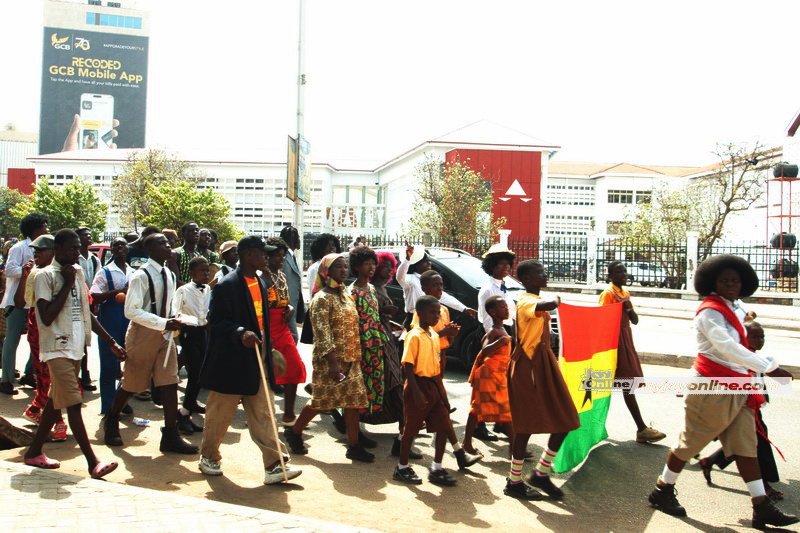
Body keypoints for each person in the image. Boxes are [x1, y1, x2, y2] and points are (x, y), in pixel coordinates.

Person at [648, 255, 797, 529]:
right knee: (689, 443)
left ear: (743, 282)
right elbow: (727, 348)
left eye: (735, 280)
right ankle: (662, 490)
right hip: (712, 386)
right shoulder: (709, 312)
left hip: (739, 386)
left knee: (745, 447)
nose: (731, 284)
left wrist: (762, 366)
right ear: (712, 283)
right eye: (724, 280)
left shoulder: (736, 307)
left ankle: (761, 506)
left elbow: (745, 337)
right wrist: (770, 368)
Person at [198, 235, 302, 484]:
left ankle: (275, 464)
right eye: (262, 253)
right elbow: (217, 322)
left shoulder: (260, 281)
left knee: (263, 411)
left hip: (257, 356)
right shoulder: (227, 285)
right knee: (220, 414)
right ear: (247, 255)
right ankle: (208, 457)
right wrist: (240, 332)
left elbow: (261, 319)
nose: (266, 257)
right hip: (232, 362)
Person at [22, 229, 124, 479]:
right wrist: (66, 284)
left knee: (55, 402)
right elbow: (45, 317)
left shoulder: (77, 272)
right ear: (57, 249)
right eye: (72, 248)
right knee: (74, 403)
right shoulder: (44, 276)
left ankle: (34, 452)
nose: (77, 253)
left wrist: (110, 341)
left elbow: (87, 312)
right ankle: (93, 462)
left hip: (76, 347)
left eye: (79, 248)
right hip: (56, 348)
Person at [102, 233, 198, 455]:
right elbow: (131, 310)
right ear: (150, 250)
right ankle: (112, 419)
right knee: (132, 383)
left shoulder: (168, 273)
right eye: (162, 244)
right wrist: (164, 321)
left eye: (169, 242)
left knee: (170, 382)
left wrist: (178, 319)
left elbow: (170, 304)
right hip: (143, 333)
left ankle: (170, 435)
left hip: (165, 333)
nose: (169, 246)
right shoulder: (141, 275)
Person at [284, 253, 374, 462]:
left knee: (353, 402)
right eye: (338, 267)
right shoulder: (322, 299)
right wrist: (333, 365)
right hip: (331, 362)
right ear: (327, 272)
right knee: (321, 402)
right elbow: (322, 334)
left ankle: (354, 446)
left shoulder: (345, 294)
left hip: (351, 358)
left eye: (345, 267)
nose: (343, 270)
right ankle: (294, 432)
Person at [504, 260, 579, 501]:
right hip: (529, 367)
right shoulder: (526, 300)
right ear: (525, 279)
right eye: (539, 272)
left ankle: (541, 473)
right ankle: (514, 481)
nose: (544, 274)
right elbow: (542, 305)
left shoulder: (534, 298)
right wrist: (556, 301)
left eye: (544, 270)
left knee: (566, 418)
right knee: (525, 425)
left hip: (545, 364)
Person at [698, 319, 784, 501]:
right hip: (741, 406)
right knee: (754, 444)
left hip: (752, 407)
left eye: (762, 336)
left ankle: (710, 460)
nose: (760, 340)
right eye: (755, 337)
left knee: (745, 440)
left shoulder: (755, 357)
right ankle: (764, 487)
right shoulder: (739, 358)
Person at [410, 270, 482, 470]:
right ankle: (450, 457)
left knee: (438, 412)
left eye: (442, 285)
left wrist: (451, 334)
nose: (440, 289)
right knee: (433, 413)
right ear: (424, 288)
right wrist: (443, 332)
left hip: (438, 361)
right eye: (435, 286)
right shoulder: (422, 311)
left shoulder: (444, 310)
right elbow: (421, 336)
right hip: (424, 368)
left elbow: (445, 343)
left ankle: (456, 454)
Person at [393, 295, 457, 486]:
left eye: (438, 313)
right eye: (432, 313)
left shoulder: (434, 335)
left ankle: (436, 467)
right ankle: (402, 467)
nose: (437, 316)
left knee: (444, 426)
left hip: (434, 384)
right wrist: (416, 393)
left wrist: (451, 335)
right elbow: (407, 367)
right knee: (410, 430)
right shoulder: (414, 336)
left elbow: (436, 361)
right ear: (420, 314)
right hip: (417, 385)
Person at [598, 262, 665, 443]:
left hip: (625, 339)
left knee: (627, 384)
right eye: (619, 272)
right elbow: (603, 320)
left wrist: (628, 307)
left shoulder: (625, 294)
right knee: (615, 386)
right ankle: (640, 429)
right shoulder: (608, 294)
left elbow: (634, 320)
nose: (624, 275)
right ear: (610, 274)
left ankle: (641, 429)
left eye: (624, 271)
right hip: (614, 342)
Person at [16, 235, 68, 441]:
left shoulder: (63, 273)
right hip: (40, 331)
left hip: (60, 331)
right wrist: (23, 276)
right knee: (47, 377)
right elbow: (21, 303)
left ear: (53, 252)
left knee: (55, 379)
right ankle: (58, 421)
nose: (35, 254)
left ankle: (37, 409)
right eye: (34, 251)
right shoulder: (36, 275)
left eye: (40, 250)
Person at [370, 250, 418, 458]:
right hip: (378, 343)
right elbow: (370, 315)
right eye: (385, 265)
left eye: (391, 265)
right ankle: (402, 440)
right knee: (396, 386)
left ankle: (403, 438)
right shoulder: (371, 289)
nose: (389, 269)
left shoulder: (381, 287)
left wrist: (391, 321)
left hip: (388, 339)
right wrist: (384, 313)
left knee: (396, 386)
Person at [1, 212, 49, 395]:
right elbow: (9, 270)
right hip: (16, 301)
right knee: (11, 341)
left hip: (35, 302)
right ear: (37, 229)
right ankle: (6, 380)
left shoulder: (44, 248)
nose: (47, 230)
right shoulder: (20, 248)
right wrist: (26, 270)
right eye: (45, 227)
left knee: (37, 340)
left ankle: (29, 373)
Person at [261, 237, 306, 426]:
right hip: (266, 330)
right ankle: (260, 413)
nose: (281, 259)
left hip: (283, 328)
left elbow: (285, 300)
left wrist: (291, 308)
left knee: (294, 367)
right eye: (276, 256)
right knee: (262, 374)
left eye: (282, 255)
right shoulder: (260, 277)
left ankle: (288, 413)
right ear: (267, 257)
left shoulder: (281, 276)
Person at [463, 296, 513, 457]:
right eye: (503, 307)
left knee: (505, 410)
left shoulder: (503, 328)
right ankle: (467, 442)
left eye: (506, 306)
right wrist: (501, 342)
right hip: (489, 374)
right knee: (478, 409)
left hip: (499, 374)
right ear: (492, 312)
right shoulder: (494, 331)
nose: (507, 309)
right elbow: (484, 350)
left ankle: (514, 446)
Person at [90, 237, 134, 415]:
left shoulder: (133, 272)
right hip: (109, 320)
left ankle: (120, 399)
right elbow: (95, 296)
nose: (120, 247)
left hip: (129, 320)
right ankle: (108, 406)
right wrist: (118, 292)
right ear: (111, 249)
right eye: (116, 245)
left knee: (130, 365)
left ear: (127, 248)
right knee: (109, 365)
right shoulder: (105, 272)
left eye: (123, 244)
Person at [396, 243, 477, 331]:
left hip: (428, 320)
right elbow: (400, 277)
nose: (429, 263)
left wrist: (464, 308)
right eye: (425, 261)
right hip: (413, 321)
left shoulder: (430, 280)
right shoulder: (411, 280)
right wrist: (408, 258)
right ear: (417, 265)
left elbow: (444, 297)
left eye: (429, 261)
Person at [172, 256, 211, 432]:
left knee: (201, 373)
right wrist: (194, 320)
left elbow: (206, 312)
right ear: (192, 272)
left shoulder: (208, 289)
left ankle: (191, 403)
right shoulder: (183, 290)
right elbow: (175, 313)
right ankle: (183, 413)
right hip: (189, 332)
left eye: (207, 270)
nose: (206, 274)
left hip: (201, 331)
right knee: (195, 371)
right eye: (202, 271)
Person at [299, 234, 342, 345]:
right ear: (320, 249)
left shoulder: (336, 266)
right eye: (328, 246)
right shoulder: (316, 267)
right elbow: (315, 291)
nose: (332, 248)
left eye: (334, 245)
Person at [75, 227, 101, 392]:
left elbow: (96, 283)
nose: (89, 236)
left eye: (89, 234)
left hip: (88, 303)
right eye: (85, 234)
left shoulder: (93, 259)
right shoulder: (73, 258)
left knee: (84, 340)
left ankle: (85, 374)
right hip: (75, 303)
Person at [477, 244, 517, 334]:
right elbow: (487, 321)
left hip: (505, 329)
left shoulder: (502, 285)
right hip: (495, 333)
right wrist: (495, 338)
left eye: (508, 263)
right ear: (492, 266)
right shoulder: (488, 289)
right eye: (501, 263)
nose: (506, 266)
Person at [279, 226, 304, 343]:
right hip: (285, 309)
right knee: (292, 338)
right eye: (298, 237)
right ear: (293, 238)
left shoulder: (292, 256)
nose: (300, 241)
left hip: (293, 306)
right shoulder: (283, 257)